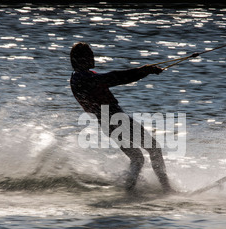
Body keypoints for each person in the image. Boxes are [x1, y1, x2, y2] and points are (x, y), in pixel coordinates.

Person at [70, 42, 173, 194]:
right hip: (116, 120)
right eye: (89, 55)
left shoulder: (77, 78)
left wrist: (144, 71)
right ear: (80, 59)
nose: (93, 57)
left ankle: (129, 190)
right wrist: (143, 71)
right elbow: (115, 78)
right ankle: (167, 190)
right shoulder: (82, 78)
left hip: (107, 124)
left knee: (138, 158)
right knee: (154, 148)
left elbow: (113, 78)